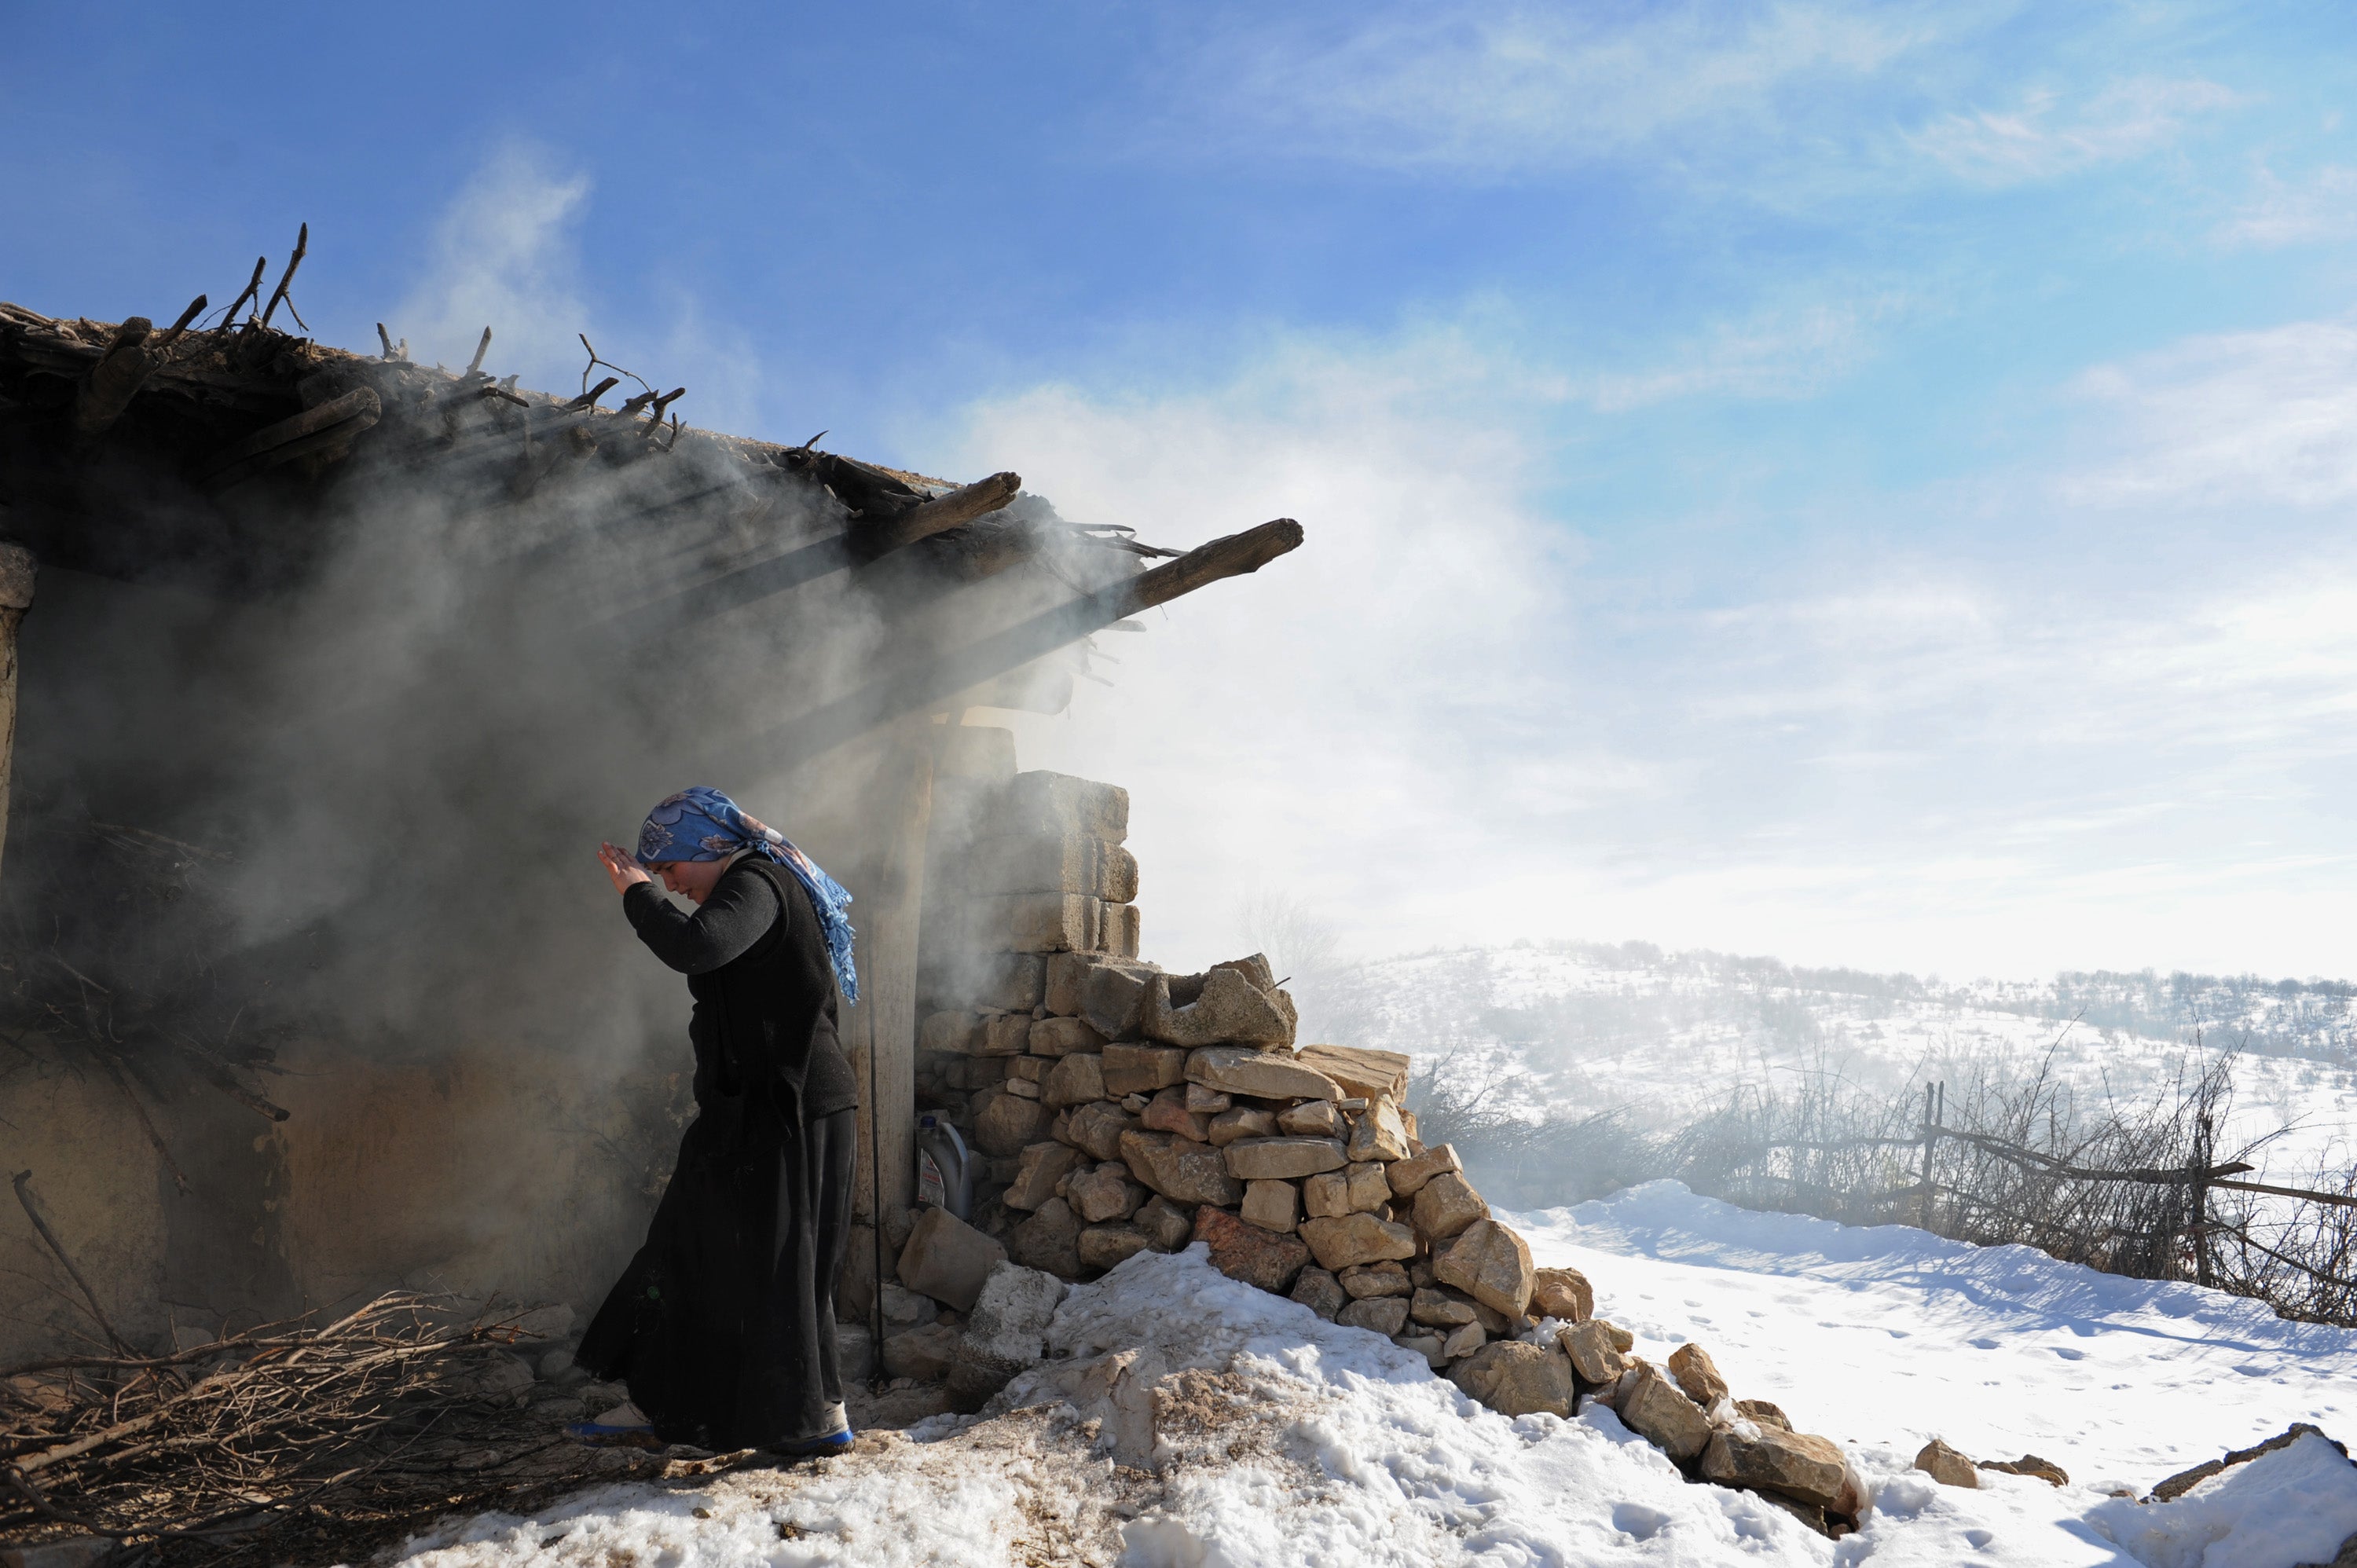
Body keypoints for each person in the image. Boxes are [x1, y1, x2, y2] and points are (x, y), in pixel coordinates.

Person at [573, 786, 863, 1456]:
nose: (672, 884)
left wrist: (636, 895)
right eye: (662, 876)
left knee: (783, 1264)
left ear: (702, 847)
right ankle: (674, 1404)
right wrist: (647, 891)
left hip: (792, 1106)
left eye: (671, 868)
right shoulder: (749, 883)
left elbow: (697, 948)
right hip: (752, 1109)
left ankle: (811, 1421)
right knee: (692, 1242)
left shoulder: (757, 881)